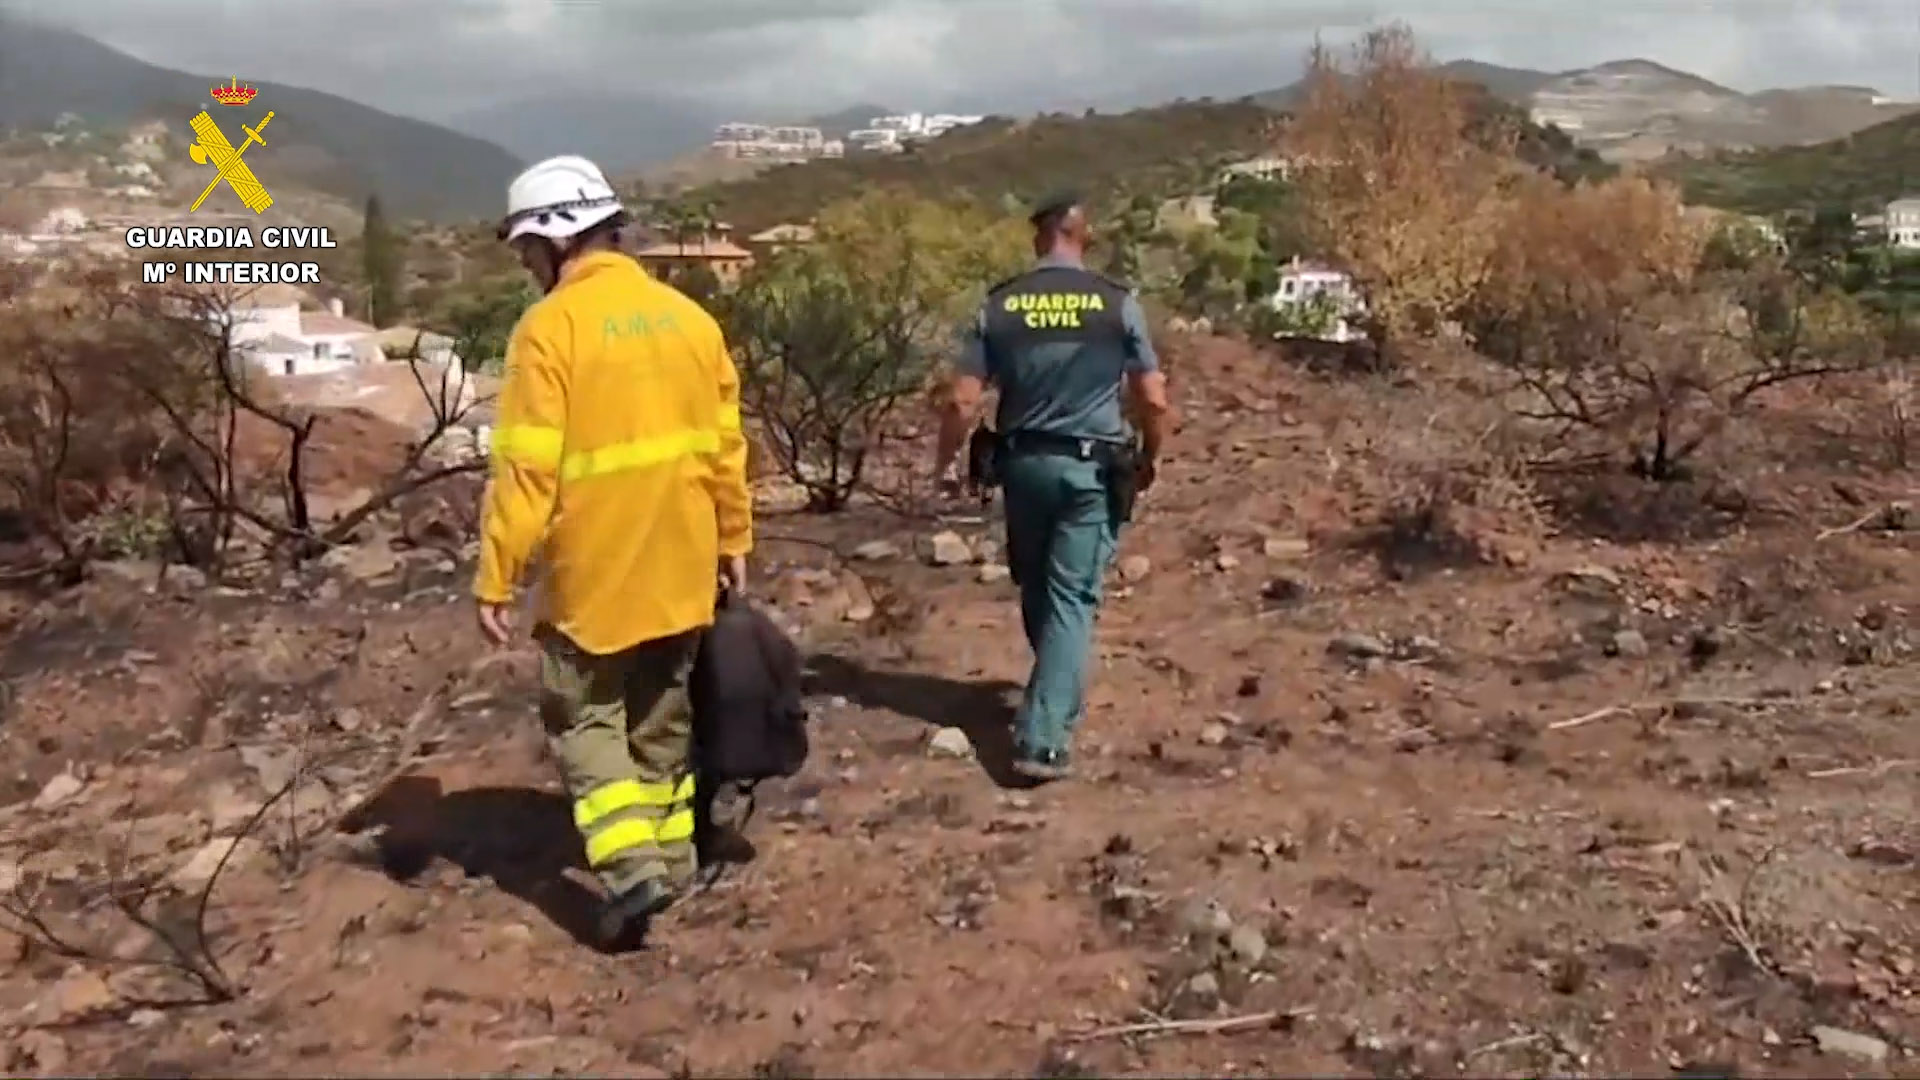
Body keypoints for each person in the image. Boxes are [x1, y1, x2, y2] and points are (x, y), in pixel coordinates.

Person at [474, 154, 752, 946]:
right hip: (684, 560)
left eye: (527, 248)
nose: (527, 265)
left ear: (558, 238)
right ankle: (671, 858)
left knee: (585, 715)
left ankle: (631, 874)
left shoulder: (548, 330)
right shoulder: (691, 321)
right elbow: (726, 449)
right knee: (660, 715)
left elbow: (526, 470)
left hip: (596, 571)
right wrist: (734, 538)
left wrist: (496, 575)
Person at [932, 192, 1171, 781]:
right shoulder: (1118, 304)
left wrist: (943, 460)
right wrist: (1152, 455)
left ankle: (1054, 694)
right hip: (1091, 469)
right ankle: (1043, 741)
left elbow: (964, 398)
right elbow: (1153, 396)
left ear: (1039, 237)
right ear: (1082, 236)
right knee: (1072, 597)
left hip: (1024, 465)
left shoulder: (1002, 304)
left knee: (1038, 585)